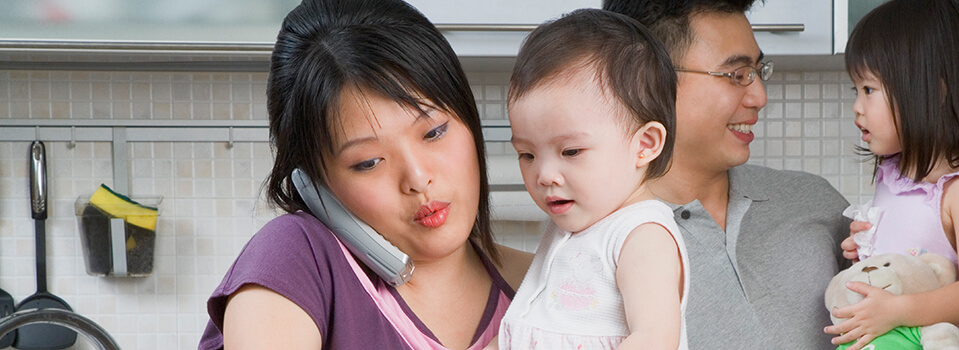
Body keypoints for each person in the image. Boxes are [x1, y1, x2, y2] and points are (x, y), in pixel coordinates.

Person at [197, 0, 532, 348]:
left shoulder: (545, 284)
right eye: (368, 162)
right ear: (313, 182)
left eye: (434, 132)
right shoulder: (292, 259)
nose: (417, 179)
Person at [604, 0, 852, 348]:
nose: (759, 96)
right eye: (737, 75)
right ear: (649, 80)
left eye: (757, 72)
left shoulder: (814, 202)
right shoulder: (605, 241)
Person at [496, 9, 689, 350]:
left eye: (570, 152)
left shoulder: (642, 236)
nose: (544, 175)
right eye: (527, 155)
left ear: (644, 146)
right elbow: (527, 330)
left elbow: (655, 339)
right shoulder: (572, 229)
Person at [828, 0, 959, 349]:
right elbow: (909, 270)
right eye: (855, 90)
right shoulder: (891, 180)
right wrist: (865, 256)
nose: (857, 106)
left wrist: (896, 310)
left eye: (868, 89)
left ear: (935, 89)